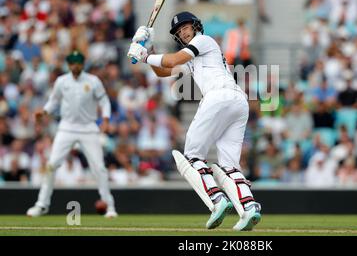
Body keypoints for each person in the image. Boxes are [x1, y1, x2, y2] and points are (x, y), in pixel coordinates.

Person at [127, 12, 261, 231]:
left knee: (192, 155)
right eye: (179, 32)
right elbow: (164, 71)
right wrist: (148, 49)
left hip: (219, 97)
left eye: (185, 27)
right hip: (237, 102)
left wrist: (142, 56)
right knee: (229, 164)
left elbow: (173, 59)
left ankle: (217, 200)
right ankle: (249, 207)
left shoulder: (203, 40)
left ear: (196, 26)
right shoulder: (195, 58)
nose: (183, 32)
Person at [26, 51, 117, 218]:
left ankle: (109, 206)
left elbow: (104, 101)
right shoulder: (62, 81)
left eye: (78, 62)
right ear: (68, 65)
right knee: (51, 165)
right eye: (72, 63)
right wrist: (44, 111)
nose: (75, 65)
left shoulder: (93, 81)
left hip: (88, 128)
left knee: (99, 168)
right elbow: (53, 101)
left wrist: (105, 119)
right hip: (66, 128)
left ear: (83, 64)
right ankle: (42, 204)